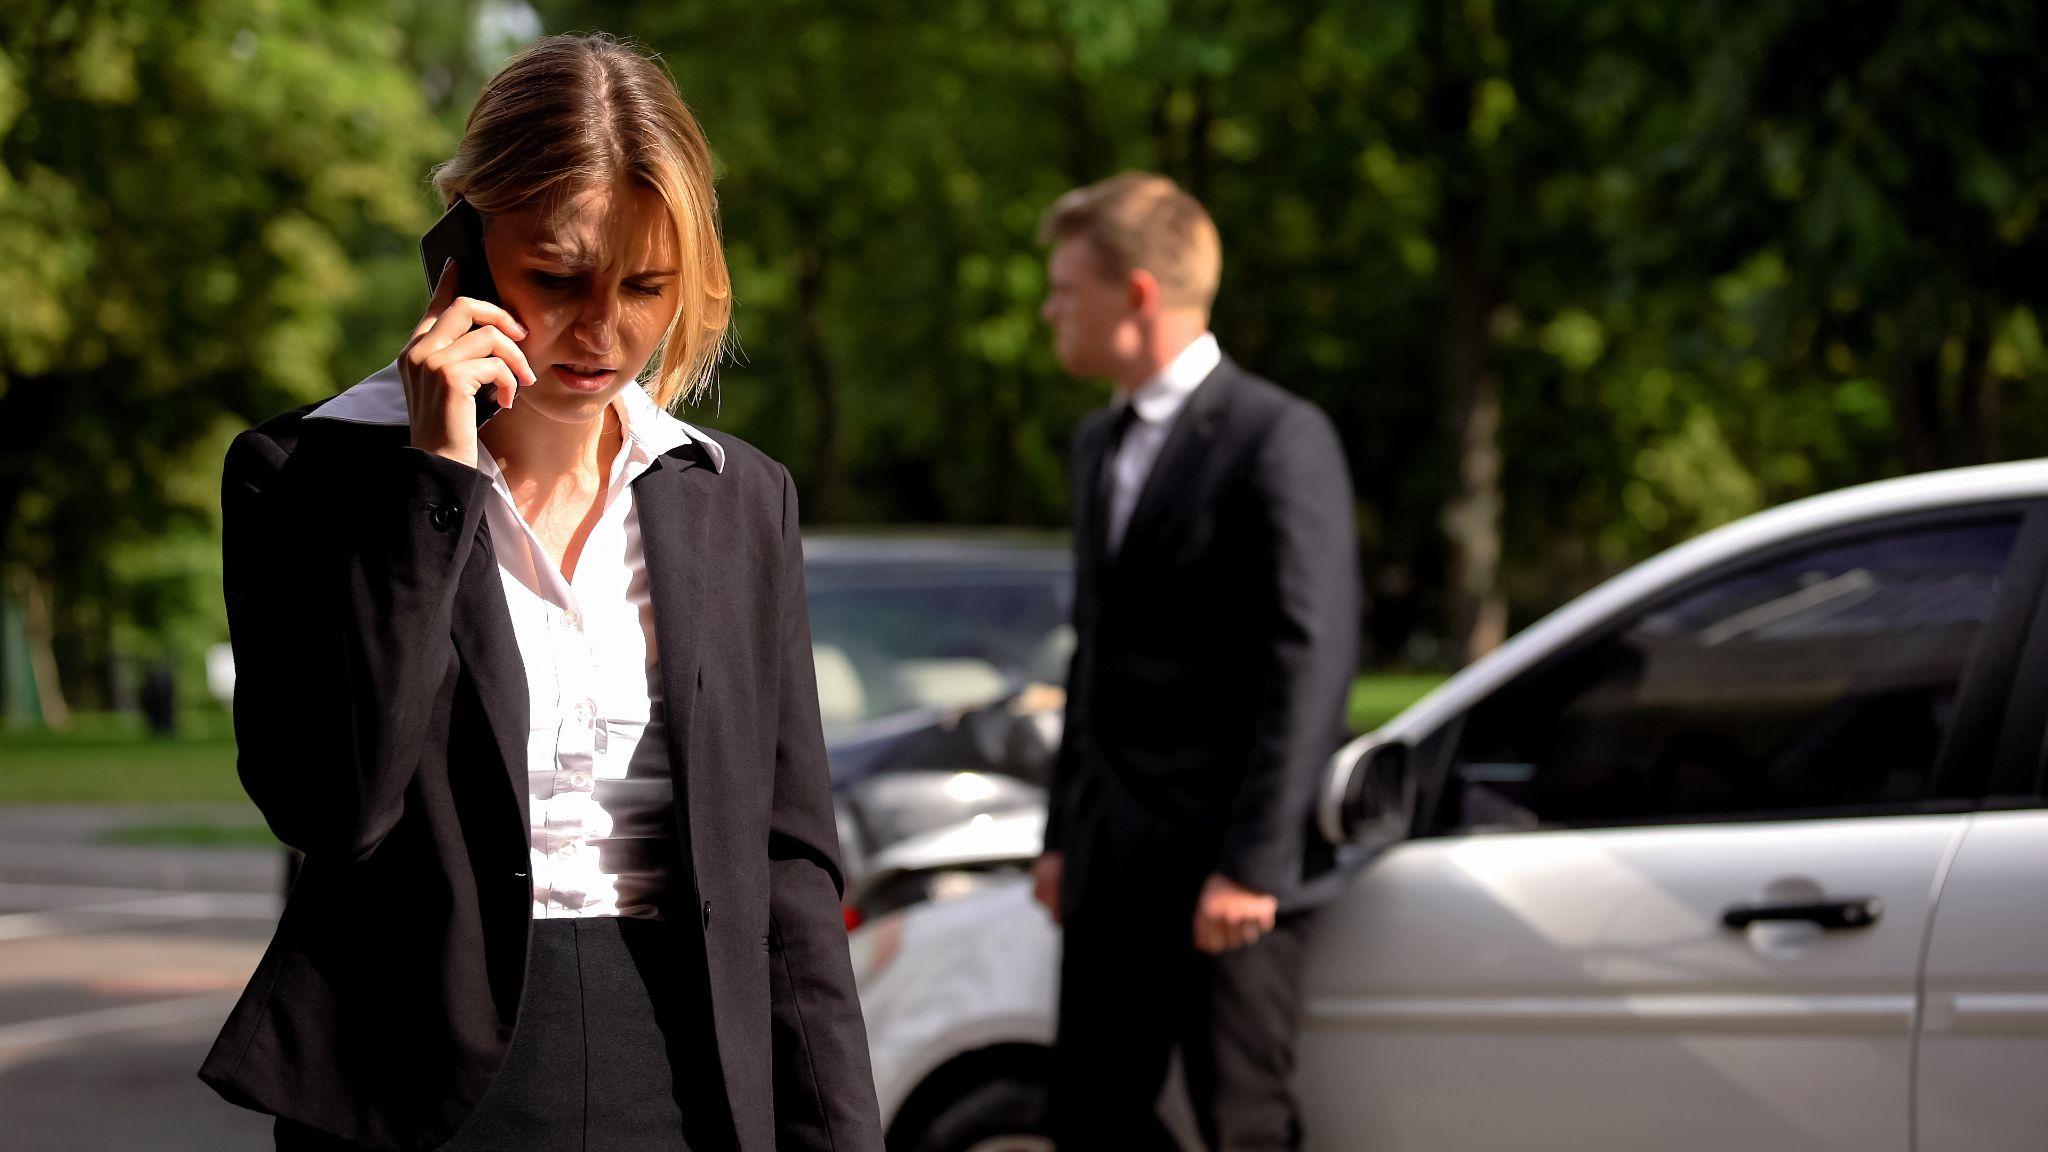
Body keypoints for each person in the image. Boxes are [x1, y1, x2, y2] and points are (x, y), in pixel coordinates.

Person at [198, 34, 882, 1152]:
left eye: (645, 286)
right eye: (557, 277)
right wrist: (435, 483)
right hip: (418, 1085)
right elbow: (332, 804)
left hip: (685, 1066)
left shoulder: (736, 498)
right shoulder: (302, 475)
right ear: (462, 251)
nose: (601, 330)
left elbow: (785, 864)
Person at [1033, 173, 1360, 1151]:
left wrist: (1252, 863)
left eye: (1063, 289)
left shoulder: (1275, 437)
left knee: (1241, 1126)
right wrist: (1060, 834)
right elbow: (1094, 653)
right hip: (1107, 864)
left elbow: (1311, 654)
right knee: (1089, 1119)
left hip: (1227, 877)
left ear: (1134, 294)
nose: (1050, 310)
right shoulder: (1097, 444)